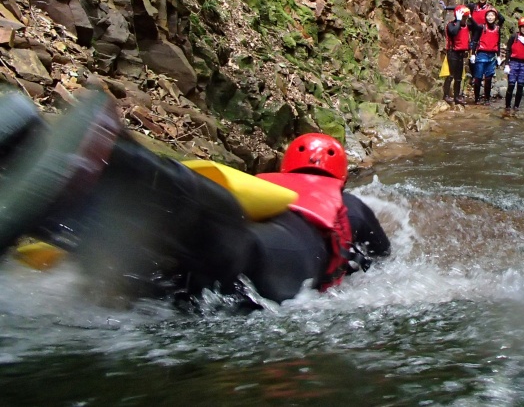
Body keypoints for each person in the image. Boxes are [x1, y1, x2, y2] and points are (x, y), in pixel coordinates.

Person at [0, 91, 391, 306]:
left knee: (147, 249)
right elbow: (384, 264)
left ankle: (29, 153)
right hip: (281, 262)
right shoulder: (352, 206)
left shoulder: (264, 187)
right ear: (339, 178)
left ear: (286, 167)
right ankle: (110, 155)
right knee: (231, 250)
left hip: (221, 241)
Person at [503, 17, 524, 115]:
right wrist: (507, 64)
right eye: (523, 27)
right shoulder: (514, 36)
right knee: (511, 85)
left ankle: (516, 106)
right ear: (520, 27)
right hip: (513, 62)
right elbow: (508, 50)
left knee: (520, 86)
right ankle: (507, 106)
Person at [469, 8, 502, 105]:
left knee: (488, 79)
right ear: (485, 17)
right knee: (478, 78)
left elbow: (498, 43)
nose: (490, 17)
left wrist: (499, 56)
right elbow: (475, 41)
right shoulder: (481, 27)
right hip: (481, 54)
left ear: (495, 17)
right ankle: (476, 99)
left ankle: (487, 99)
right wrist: (473, 54)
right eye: (488, 15)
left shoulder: (498, 28)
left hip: (492, 56)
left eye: (492, 15)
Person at [443, 5, 471, 105]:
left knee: (458, 77)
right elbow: (454, 32)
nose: (465, 20)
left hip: (461, 54)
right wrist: (458, 21)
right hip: (452, 52)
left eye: (466, 18)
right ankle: (446, 95)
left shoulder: (467, 25)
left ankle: (456, 96)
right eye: (464, 18)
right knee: (451, 75)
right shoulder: (451, 25)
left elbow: (477, 27)